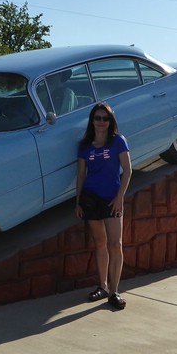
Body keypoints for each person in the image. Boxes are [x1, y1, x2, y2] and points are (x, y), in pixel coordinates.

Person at [75, 102, 132, 310]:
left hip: (112, 199)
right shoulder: (85, 146)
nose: (101, 122)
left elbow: (127, 170)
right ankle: (103, 286)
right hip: (91, 199)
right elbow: (81, 175)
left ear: (110, 121)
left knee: (115, 244)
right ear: (92, 121)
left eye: (105, 119)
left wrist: (119, 197)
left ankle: (115, 291)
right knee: (100, 244)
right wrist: (78, 201)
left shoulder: (118, 141)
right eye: (97, 118)